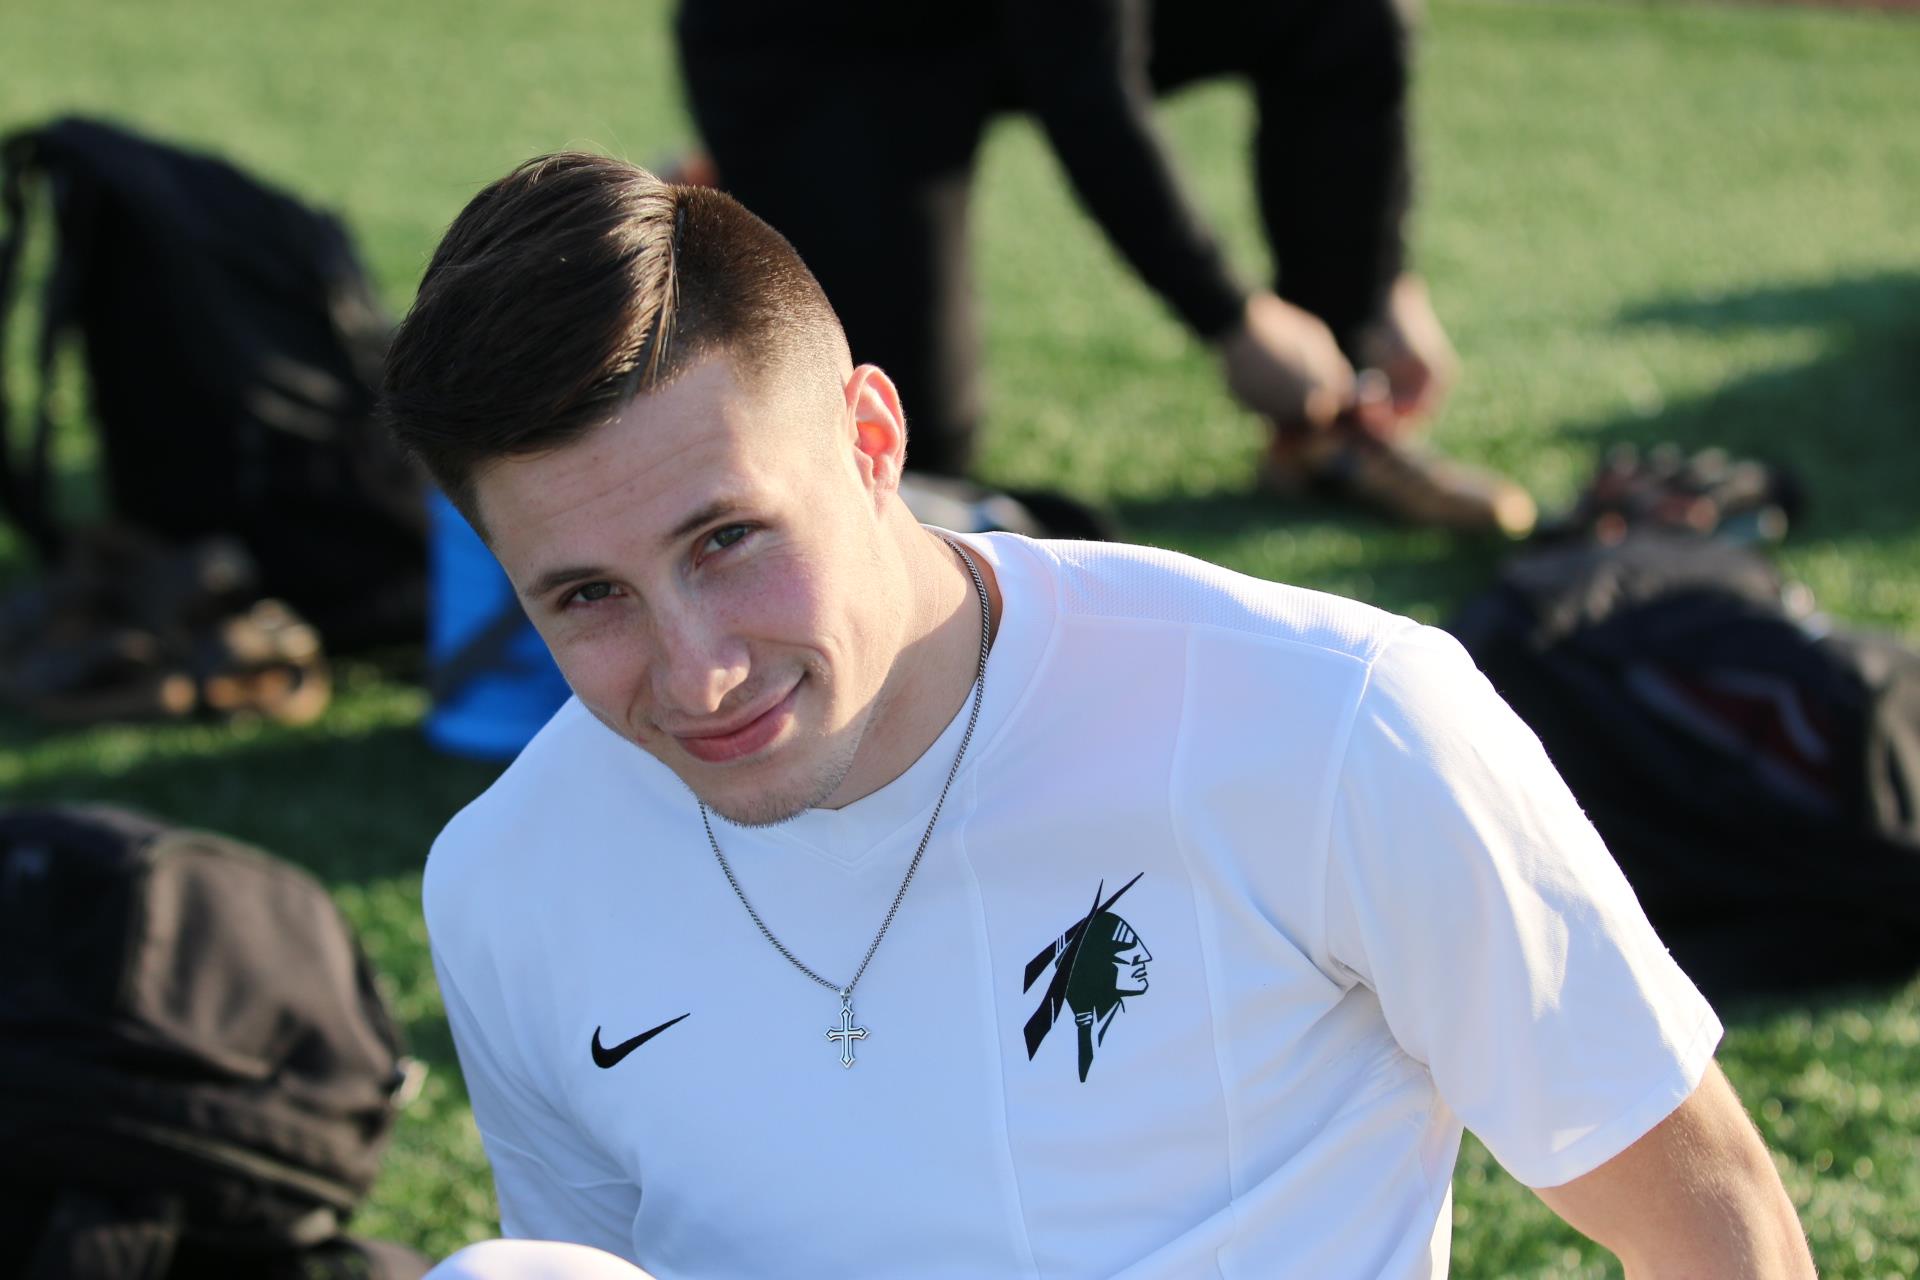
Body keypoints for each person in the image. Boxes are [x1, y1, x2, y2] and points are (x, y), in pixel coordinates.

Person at [383, 155, 1812, 1278]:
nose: (694, 671)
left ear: (873, 441)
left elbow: (1710, 1224)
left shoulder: (1331, 721)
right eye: (586, 597)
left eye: (727, 541)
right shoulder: (510, 880)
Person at [674, 0, 1536, 537]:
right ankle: (735, 192)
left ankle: (1339, 423)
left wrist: (1379, 274)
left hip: (1029, 24)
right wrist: (1229, 317)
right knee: (909, 450)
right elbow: (1086, 94)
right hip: (827, 44)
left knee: (1340, 12)